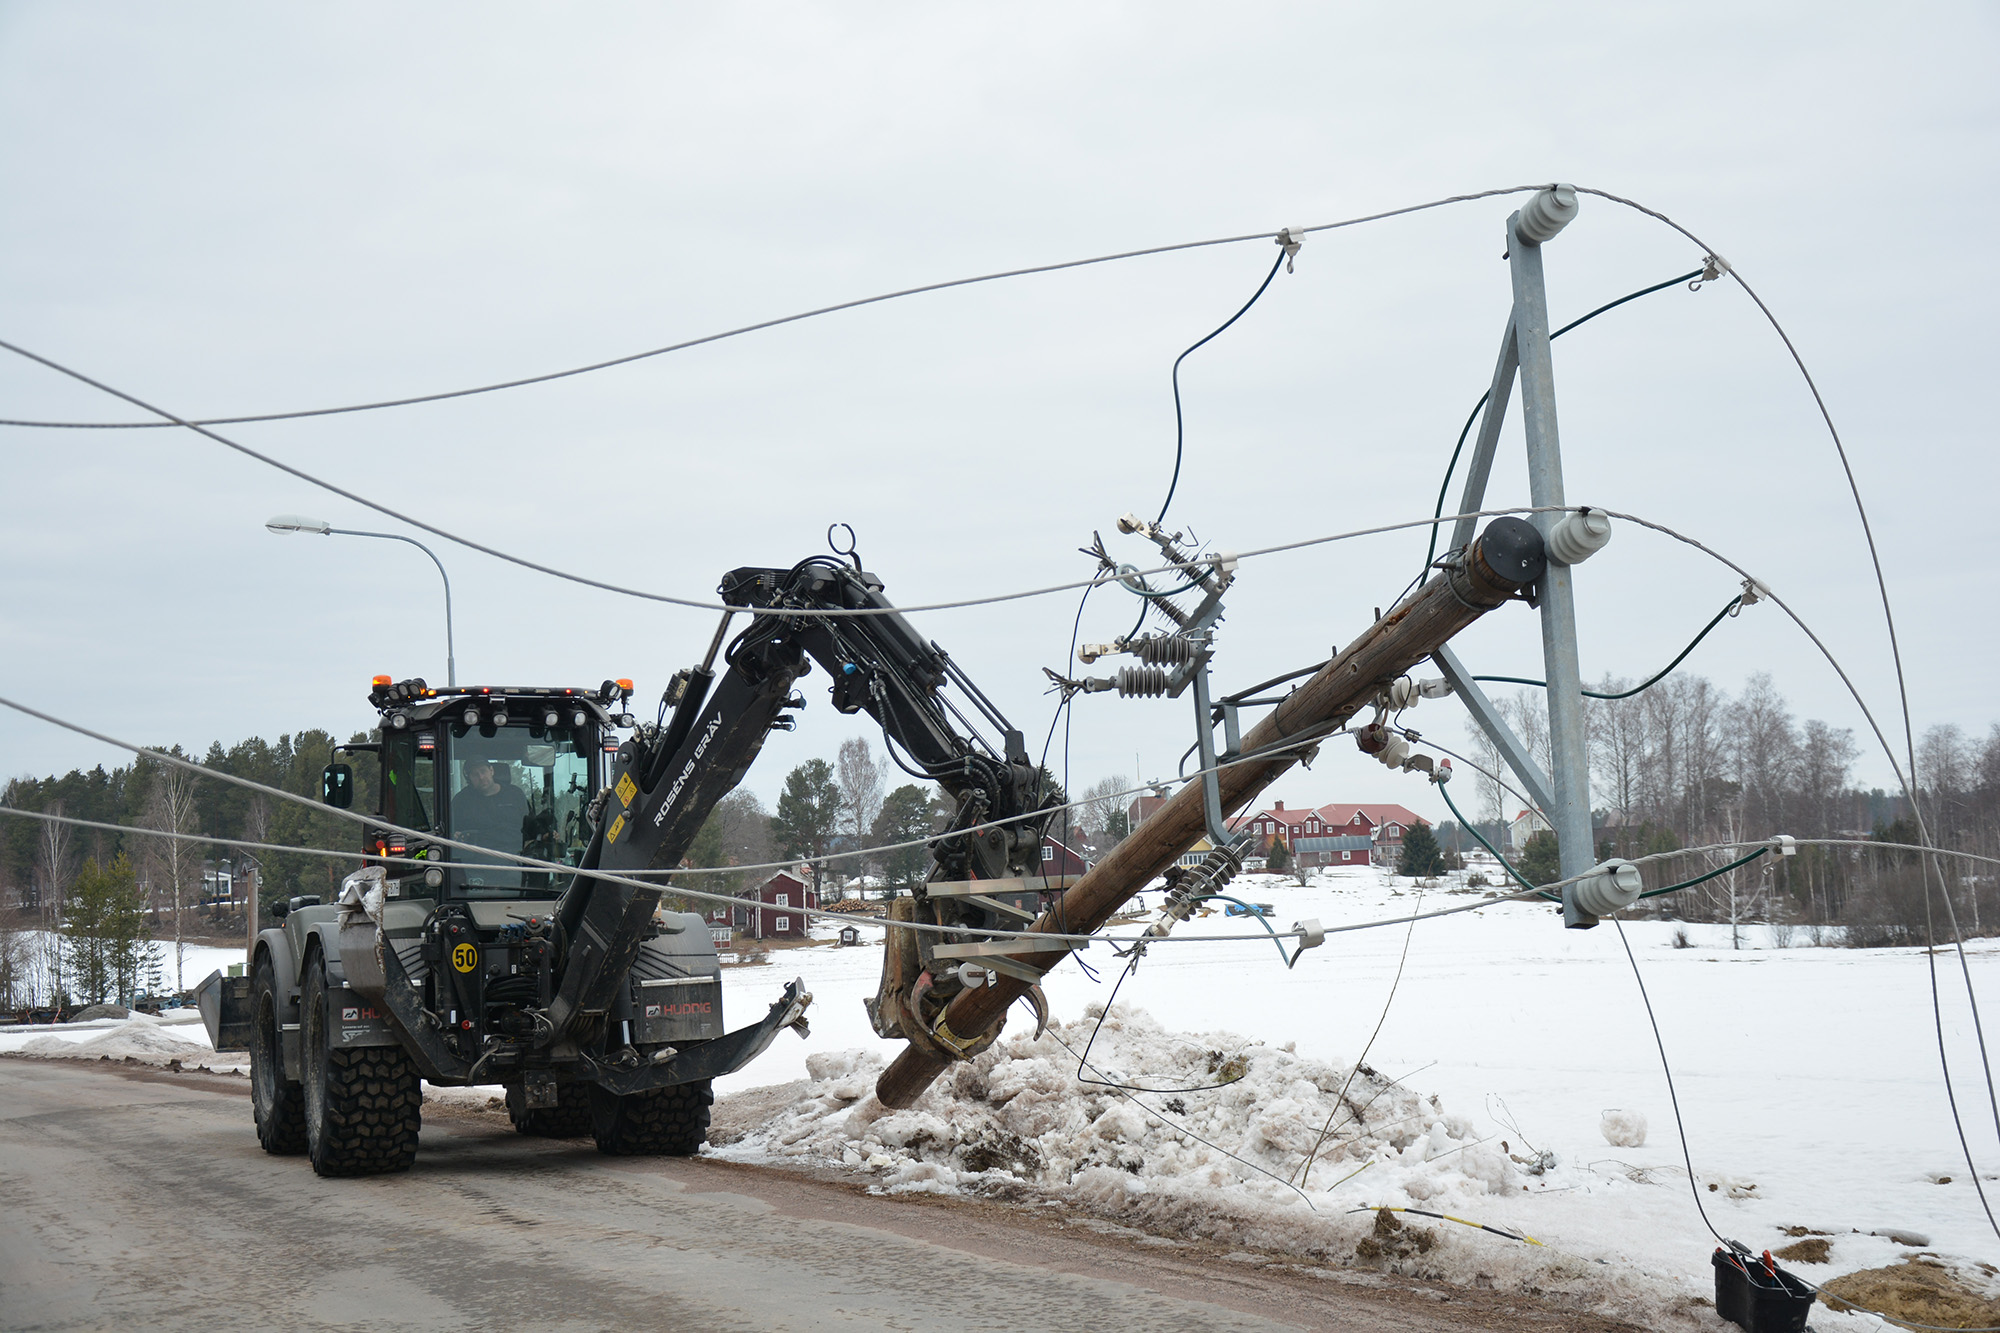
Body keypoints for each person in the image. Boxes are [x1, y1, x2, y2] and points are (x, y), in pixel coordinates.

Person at [454, 759, 530, 853]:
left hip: (516, 858)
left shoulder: (515, 795)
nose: (481, 777)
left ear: (491, 771)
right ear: (469, 778)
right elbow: (450, 830)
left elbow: (530, 827)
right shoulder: (461, 801)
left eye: (483, 771)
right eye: (475, 774)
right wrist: (454, 834)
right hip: (474, 859)